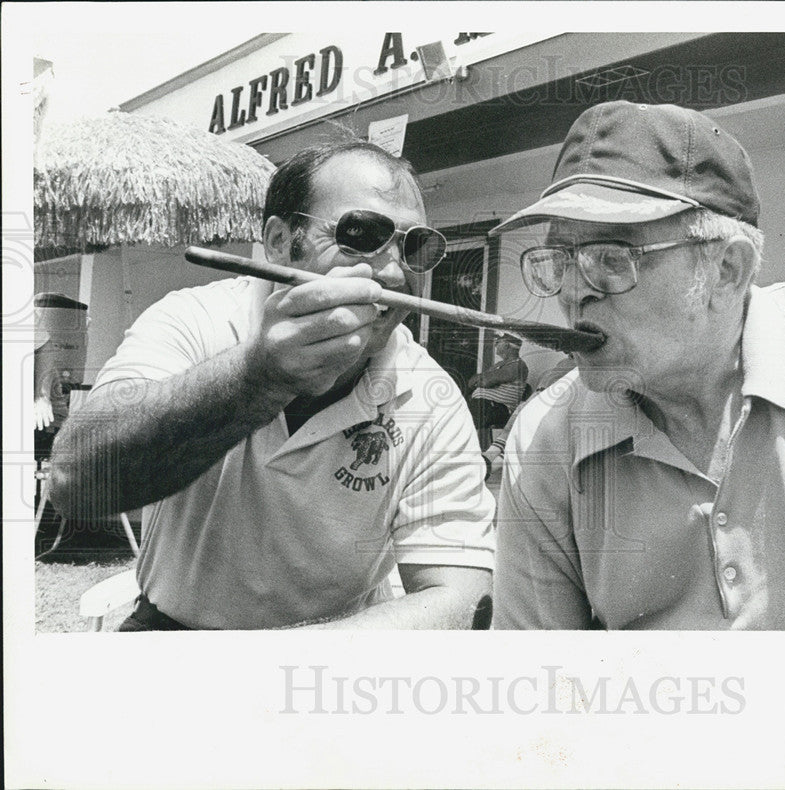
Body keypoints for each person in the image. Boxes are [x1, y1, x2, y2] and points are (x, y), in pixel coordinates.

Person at [490, 100, 785, 631]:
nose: (574, 292)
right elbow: (541, 687)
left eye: (611, 260)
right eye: (559, 261)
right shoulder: (545, 442)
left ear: (726, 269)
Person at [49, 128, 495, 630]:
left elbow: (458, 598)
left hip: (336, 652)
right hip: (171, 632)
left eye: (416, 246)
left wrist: (267, 671)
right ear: (282, 242)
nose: (393, 274)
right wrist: (254, 379)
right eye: (362, 235)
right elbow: (77, 484)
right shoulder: (197, 319)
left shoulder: (428, 394)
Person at [482, 352, 576, 480]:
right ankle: (488, 458)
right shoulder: (565, 363)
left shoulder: (580, 367)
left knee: (524, 436)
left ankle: (490, 466)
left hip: (552, 402)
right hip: (538, 396)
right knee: (514, 425)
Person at [467, 332, 528, 449]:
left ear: (506, 346)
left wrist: (484, 379)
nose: (495, 345)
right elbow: (472, 382)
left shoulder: (518, 365)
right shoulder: (500, 364)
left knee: (461, 417)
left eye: (498, 342)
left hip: (498, 409)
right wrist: (486, 378)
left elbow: (485, 381)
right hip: (485, 406)